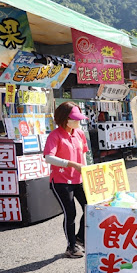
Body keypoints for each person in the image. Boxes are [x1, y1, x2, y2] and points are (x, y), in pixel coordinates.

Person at [43, 102, 89, 258]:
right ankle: (71, 247)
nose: (78, 122)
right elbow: (48, 157)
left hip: (80, 179)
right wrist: (71, 164)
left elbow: (83, 155)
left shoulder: (79, 133)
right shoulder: (54, 135)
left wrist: (87, 171)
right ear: (64, 119)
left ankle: (80, 238)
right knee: (70, 213)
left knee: (90, 208)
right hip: (61, 181)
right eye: (75, 119)